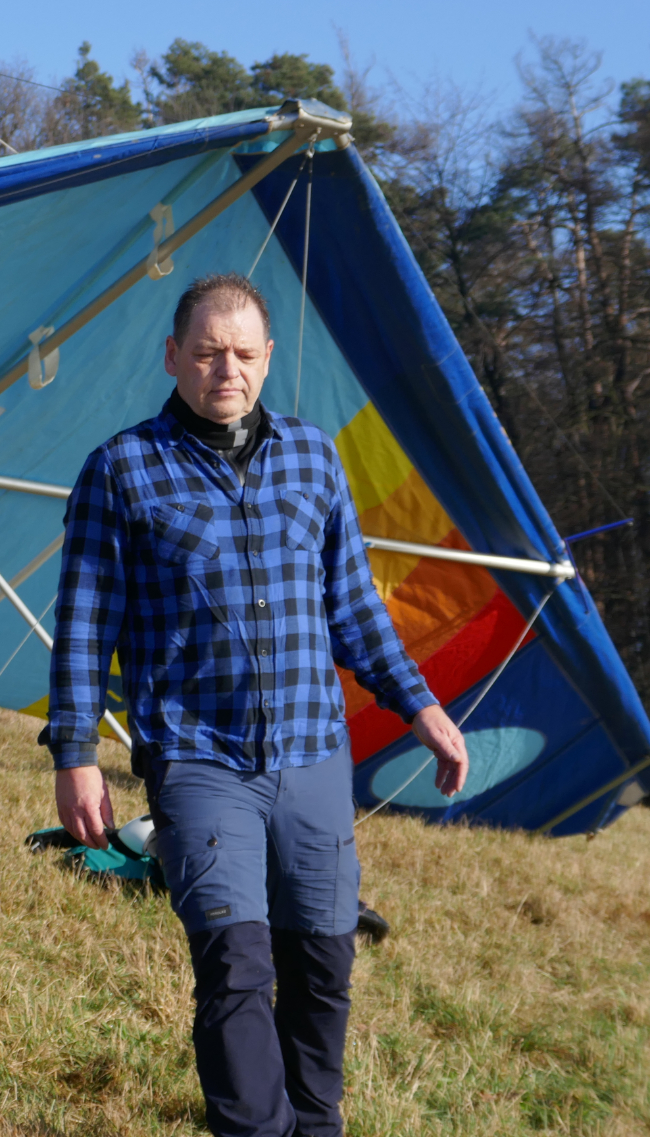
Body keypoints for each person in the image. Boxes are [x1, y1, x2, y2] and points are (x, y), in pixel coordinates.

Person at [44, 272, 470, 1137]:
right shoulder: (121, 470)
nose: (225, 369)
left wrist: (422, 708)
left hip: (313, 753)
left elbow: (354, 608)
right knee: (235, 964)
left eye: (242, 353)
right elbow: (86, 624)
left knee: (323, 962)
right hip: (198, 757)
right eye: (207, 352)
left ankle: (317, 1124)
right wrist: (74, 755)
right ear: (173, 356)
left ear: (268, 358)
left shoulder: (313, 457)